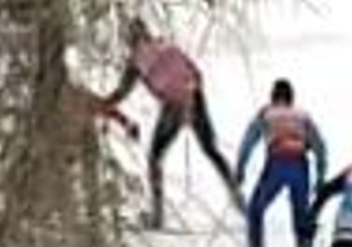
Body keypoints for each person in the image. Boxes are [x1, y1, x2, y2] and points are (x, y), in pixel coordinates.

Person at [101, 17, 245, 229]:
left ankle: (157, 218)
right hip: (195, 98)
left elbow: (120, 93)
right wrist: (191, 99)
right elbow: (196, 73)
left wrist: (100, 105)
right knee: (211, 150)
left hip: (173, 107)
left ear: (128, 40)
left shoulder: (135, 62)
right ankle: (240, 202)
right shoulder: (168, 45)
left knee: (155, 159)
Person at [232, 79, 328, 247]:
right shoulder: (303, 116)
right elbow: (319, 146)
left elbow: (248, 141)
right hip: (300, 168)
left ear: (273, 96)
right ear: (291, 98)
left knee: (255, 211)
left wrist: (239, 170)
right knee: (301, 220)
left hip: (276, 165)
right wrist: (321, 176)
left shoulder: (266, 113)